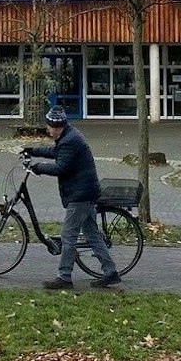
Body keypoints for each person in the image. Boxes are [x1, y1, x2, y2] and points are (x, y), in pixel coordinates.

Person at [22, 105, 121, 290]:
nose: (47, 129)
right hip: (87, 193)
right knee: (93, 236)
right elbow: (57, 153)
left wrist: (38, 168)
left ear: (57, 127)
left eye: (49, 127)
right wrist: (33, 150)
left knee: (68, 236)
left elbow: (61, 168)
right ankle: (110, 272)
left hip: (80, 196)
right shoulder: (69, 135)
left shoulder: (69, 140)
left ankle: (64, 277)